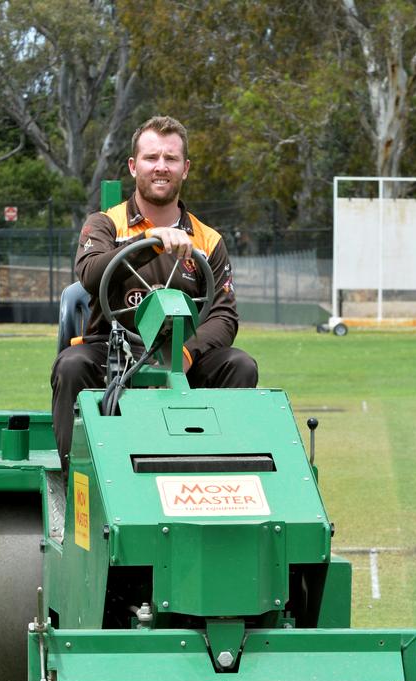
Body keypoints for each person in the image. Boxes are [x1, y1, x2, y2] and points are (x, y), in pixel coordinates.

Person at [51, 115, 258, 479]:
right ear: (134, 166)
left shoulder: (209, 240)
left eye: (171, 158)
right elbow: (90, 272)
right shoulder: (103, 224)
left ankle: (222, 482)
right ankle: (80, 485)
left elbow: (224, 316)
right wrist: (152, 243)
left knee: (240, 366)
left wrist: (185, 353)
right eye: (151, 158)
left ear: (185, 168)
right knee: (71, 366)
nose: (160, 167)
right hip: (113, 351)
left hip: (183, 356)